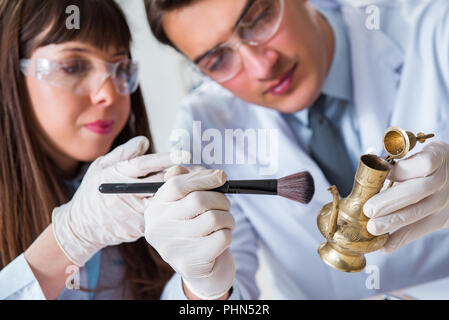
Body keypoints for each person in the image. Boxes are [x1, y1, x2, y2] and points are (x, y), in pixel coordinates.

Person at [145, 0, 449, 299]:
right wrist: (204, 289)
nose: (262, 66)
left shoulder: (435, 30)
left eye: (260, 17)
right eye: (217, 60)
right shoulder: (206, 127)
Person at [0, 0, 235, 300]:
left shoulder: (130, 207)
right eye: (73, 66)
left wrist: (204, 291)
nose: (109, 94)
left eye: (121, 68)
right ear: (10, 77)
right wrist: (68, 240)